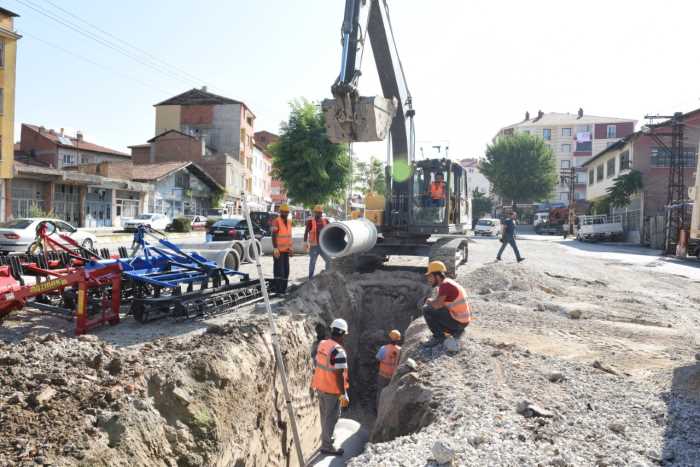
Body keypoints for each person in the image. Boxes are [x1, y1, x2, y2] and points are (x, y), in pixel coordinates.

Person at [311, 318, 350, 456]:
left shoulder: (323, 344)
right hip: (331, 390)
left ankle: (326, 439)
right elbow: (339, 375)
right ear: (343, 334)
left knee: (324, 416)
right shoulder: (339, 351)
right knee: (332, 417)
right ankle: (327, 445)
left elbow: (316, 360)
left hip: (320, 386)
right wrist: (343, 393)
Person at [421, 261, 471, 347]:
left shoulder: (445, 285)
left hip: (459, 322)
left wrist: (429, 301)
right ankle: (454, 331)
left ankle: (439, 337)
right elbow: (440, 303)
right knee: (433, 307)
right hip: (462, 321)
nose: (429, 280)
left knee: (427, 309)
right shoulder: (447, 283)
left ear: (437, 276)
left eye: (430, 276)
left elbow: (437, 305)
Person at [375, 330, 401, 407]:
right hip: (393, 377)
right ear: (398, 340)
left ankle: (378, 410)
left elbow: (378, 358)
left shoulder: (383, 348)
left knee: (380, 393)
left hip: (382, 375)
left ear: (389, 338)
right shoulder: (400, 350)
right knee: (390, 394)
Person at [272, 204, 293, 293]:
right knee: (279, 271)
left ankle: (284, 289)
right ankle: (278, 290)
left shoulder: (289, 222)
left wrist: (291, 248)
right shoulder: (276, 221)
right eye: (284, 212)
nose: (286, 213)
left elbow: (289, 236)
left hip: (286, 251)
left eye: (287, 212)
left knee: (286, 271)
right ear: (280, 212)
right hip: (278, 251)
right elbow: (273, 235)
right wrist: (275, 248)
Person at [304, 205, 330, 279]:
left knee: (329, 260)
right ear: (314, 213)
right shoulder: (310, 222)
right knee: (312, 263)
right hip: (314, 246)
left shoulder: (326, 221)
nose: (319, 214)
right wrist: (305, 242)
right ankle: (310, 278)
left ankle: (327, 275)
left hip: (324, 246)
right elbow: (306, 232)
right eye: (318, 213)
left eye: (320, 213)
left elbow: (331, 230)